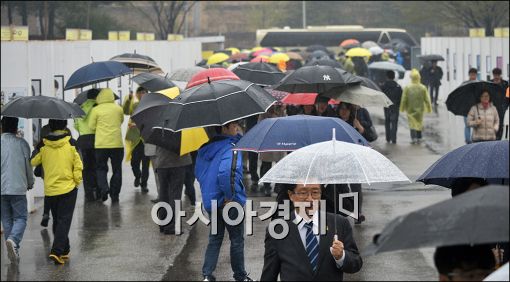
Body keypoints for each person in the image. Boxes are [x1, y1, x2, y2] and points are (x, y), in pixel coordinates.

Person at [260, 183, 363, 281]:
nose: (310, 199)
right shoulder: (277, 230)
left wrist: (342, 257)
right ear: (291, 195)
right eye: (303, 193)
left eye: (315, 192)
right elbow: (269, 275)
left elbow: (356, 263)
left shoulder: (340, 224)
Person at [195, 121, 253, 282]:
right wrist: (229, 196)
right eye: (234, 127)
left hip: (211, 201)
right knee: (236, 240)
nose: (237, 129)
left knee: (215, 238)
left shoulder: (204, 149)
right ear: (224, 128)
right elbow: (227, 172)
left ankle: (207, 275)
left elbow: (199, 174)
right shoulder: (231, 148)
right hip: (230, 202)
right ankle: (240, 276)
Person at [31, 119, 83, 265]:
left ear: (50, 126)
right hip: (68, 188)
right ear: (65, 125)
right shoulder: (71, 143)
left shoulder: (44, 144)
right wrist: (77, 182)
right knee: (64, 220)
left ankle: (65, 250)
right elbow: (78, 165)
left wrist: (38, 146)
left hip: (51, 189)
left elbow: (33, 161)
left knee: (58, 219)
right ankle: (56, 251)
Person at [1, 117, 34, 264]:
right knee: (21, 218)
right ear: (16, 127)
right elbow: (28, 166)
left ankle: (13, 250)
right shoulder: (22, 143)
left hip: (1, 188)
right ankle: (13, 241)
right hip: (18, 187)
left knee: (6, 219)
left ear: (2, 126)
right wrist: (30, 182)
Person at [88, 88, 124, 203]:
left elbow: (91, 126)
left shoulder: (96, 110)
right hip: (117, 144)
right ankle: (115, 195)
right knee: (117, 169)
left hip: (101, 145)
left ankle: (104, 188)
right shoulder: (118, 109)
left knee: (101, 168)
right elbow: (121, 121)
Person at [152, 145, 192, 235]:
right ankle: (171, 226)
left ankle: (163, 223)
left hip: (161, 162)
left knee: (163, 193)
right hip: (178, 163)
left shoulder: (157, 130)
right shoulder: (182, 130)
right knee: (175, 195)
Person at [123, 86, 150, 193]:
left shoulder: (150, 106)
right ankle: (137, 176)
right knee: (134, 162)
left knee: (145, 164)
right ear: (137, 94)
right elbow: (125, 111)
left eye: (144, 92)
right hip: (135, 139)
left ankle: (144, 184)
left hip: (146, 138)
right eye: (140, 92)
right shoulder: (134, 105)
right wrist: (128, 99)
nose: (142, 94)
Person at [74, 88, 99, 201]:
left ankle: (88, 192)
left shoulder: (80, 108)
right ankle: (97, 189)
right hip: (95, 139)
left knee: (86, 167)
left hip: (83, 140)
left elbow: (76, 126)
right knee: (96, 165)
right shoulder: (97, 107)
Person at [258, 105, 286, 196]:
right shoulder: (264, 112)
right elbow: (260, 125)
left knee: (280, 165)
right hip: (267, 142)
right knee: (266, 165)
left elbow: (285, 124)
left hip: (279, 141)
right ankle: (266, 186)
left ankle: (278, 186)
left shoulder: (281, 111)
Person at [400, 69, 433, 144]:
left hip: (410, 109)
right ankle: (419, 137)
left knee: (412, 124)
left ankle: (413, 138)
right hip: (420, 109)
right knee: (419, 123)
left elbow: (404, 99)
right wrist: (429, 108)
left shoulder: (408, 87)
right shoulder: (423, 87)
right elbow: (427, 99)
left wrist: (402, 108)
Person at [381, 70, 403, 144]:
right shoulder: (398, 86)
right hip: (395, 107)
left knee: (387, 122)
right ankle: (394, 139)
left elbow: (382, 97)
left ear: (387, 76)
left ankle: (388, 138)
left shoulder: (383, 86)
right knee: (394, 123)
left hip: (387, 106)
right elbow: (401, 98)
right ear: (394, 77)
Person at [489, 68, 509, 140]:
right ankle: (492, 137)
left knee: (500, 123)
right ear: (493, 75)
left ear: (500, 75)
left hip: (502, 106)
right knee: (492, 122)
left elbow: (508, 95)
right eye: (495, 75)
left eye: (498, 75)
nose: (496, 77)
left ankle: (498, 138)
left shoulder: (505, 84)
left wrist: (506, 105)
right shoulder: (490, 83)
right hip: (492, 106)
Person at [461, 68, 479, 144]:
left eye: (474, 75)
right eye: (471, 74)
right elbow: (461, 94)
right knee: (467, 125)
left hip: (476, 108)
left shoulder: (479, 84)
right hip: (466, 108)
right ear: (469, 75)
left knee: (476, 124)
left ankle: (474, 139)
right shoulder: (464, 84)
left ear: (476, 75)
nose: (473, 76)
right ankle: (468, 140)